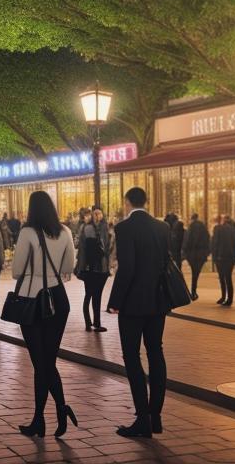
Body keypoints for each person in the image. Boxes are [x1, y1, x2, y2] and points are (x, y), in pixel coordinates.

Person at [10, 190, 76, 439]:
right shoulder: (66, 232)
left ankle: (43, 418)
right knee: (48, 361)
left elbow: (17, 270)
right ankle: (56, 411)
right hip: (58, 299)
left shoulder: (27, 232)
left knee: (41, 363)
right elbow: (68, 267)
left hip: (32, 298)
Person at [107, 186, 171, 439]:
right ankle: (155, 415)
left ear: (127, 202)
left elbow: (127, 268)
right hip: (158, 301)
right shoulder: (162, 227)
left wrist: (115, 301)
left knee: (131, 356)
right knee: (156, 352)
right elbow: (167, 262)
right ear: (147, 200)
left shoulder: (124, 228)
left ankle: (142, 417)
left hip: (133, 303)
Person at [76, 206, 111, 332]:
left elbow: (108, 248)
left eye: (99, 214)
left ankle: (96, 322)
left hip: (101, 268)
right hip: (91, 268)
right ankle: (89, 322)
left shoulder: (105, 228)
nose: (97, 216)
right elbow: (85, 251)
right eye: (95, 214)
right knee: (89, 295)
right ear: (92, 215)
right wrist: (82, 267)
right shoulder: (88, 228)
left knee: (96, 295)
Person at [212, 214, 235, 307]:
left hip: (220, 257)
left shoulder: (218, 229)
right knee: (228, 278)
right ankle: (230, 299)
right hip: (231, 258)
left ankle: (223, 296)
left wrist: (214, 256)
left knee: (221, 278)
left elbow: (214, 243)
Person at [182, 213, 210, 301]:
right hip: (201, 254)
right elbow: (208, 239)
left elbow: (187, 240)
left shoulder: (191, 227)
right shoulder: (203, 227)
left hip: (192, 254)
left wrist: (185, 251)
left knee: (194, 272)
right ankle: (193, 291)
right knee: (196, 273)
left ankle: (193, 292)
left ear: (192, 218)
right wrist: (207, 252)